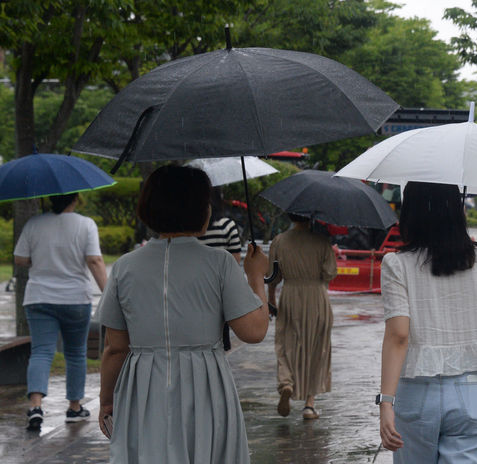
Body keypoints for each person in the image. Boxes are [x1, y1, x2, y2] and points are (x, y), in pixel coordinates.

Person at [98, 165, 269, 463]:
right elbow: (254, 331)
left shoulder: (125, 266)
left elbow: (115, 348)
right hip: (205, 385)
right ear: (200, 209)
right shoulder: (219, 263)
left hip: (143, 386)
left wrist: (107, 401)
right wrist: (256, 278)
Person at [378, 182, 477, 463]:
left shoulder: (396, 264)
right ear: (458, 209)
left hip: (416, 390)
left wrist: (386, 403)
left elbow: (399, 336)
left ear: (410, 213)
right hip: (473, 390)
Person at [14, 192, 107, 430]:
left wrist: (42, 258)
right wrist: (108, 292)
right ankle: (75, 408)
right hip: (75, 298)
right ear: (75, 199)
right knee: (76, 352)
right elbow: (94, 260)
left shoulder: (34, 224)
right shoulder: (86, 224)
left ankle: (36, 407)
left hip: (39, 297)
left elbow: (20, 258)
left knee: (41, 352)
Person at [267, 213, 337, 420]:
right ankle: (309, 405)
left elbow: (272, 276)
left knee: (285, 343)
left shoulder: (279, 241)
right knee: (317, 348)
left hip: (290, 294)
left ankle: (286, 383)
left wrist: (271, 299)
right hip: (317, 296)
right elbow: (329, 273)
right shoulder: (322, 242)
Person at [197, 187, 244, 350]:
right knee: (220, 341)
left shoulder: (189, 229)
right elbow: (234, 263)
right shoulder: (227, 226)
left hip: (194, 289)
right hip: (219, 292)